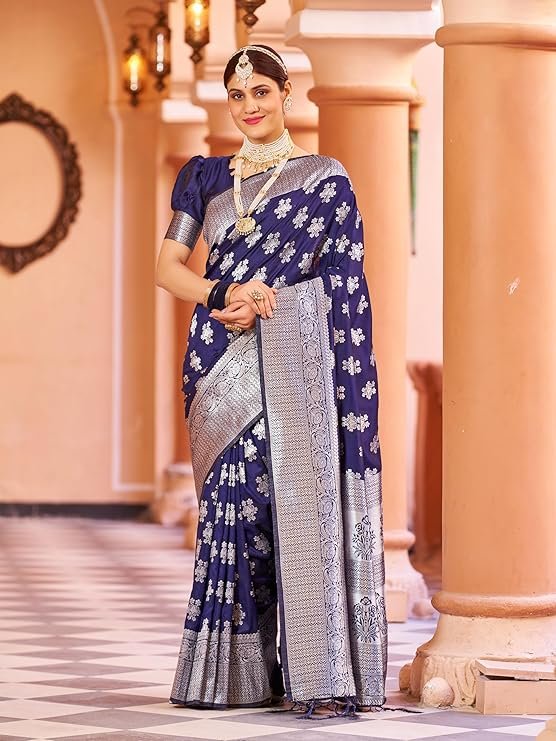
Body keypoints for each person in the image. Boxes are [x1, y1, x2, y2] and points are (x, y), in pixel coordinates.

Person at [156, 44, 386, 716]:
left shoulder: (325, 180)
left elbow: (344, 283)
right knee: (232, 509)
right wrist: (224, 291)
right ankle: (233, 673)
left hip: (290, 358)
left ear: (286, 93)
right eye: (237, 95)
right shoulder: (203, 179)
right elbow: (167, 268)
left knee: (284, 504)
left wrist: (274, 300)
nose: (249, 106)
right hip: (219, 358)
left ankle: (313, 665)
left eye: (261, 91)